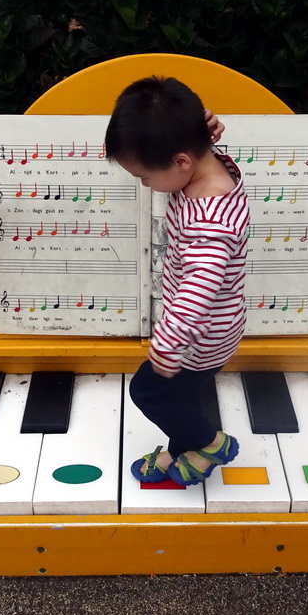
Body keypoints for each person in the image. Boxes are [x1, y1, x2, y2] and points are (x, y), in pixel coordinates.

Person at [104, 76, 248, 487]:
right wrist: (205, 125)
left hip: (200, 334)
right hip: (221, 325)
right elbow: (190, 139)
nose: (145, 184)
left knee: (149, 392)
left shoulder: (210, 222)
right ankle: (183, 451)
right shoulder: (211, 163)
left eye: (145, 177)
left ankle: (209, 443)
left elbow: (199, 288)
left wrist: (167, 347)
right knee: (183, 397)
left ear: (182, 161)